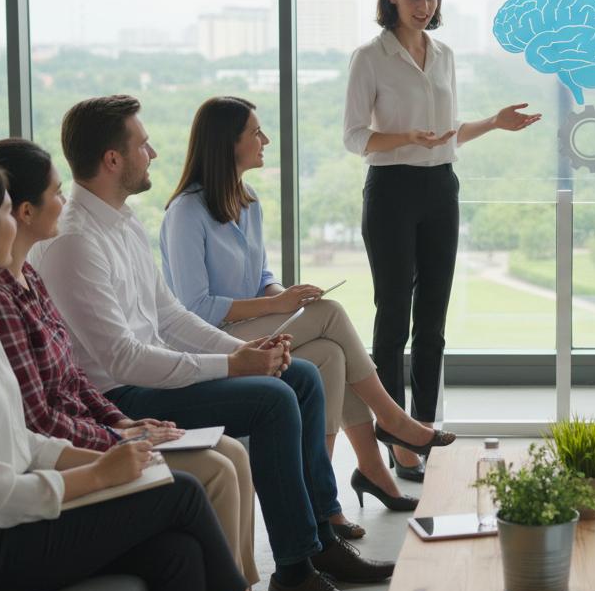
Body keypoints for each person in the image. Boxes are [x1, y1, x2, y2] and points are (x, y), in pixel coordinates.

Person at [28, 95, 385, 591]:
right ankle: (294, 575)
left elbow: (169, 316)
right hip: (119, 398)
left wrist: (243, 350)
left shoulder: (121, 221)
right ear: (112, 160)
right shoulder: (76, 242)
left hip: (150, 374)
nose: (153, 152)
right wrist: (233, 366)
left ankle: (319, 539)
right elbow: (123, 360)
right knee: (272, 400)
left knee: (303, 376)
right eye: (143, 144)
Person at [0, 157, 261, 591]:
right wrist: (100, 475)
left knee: (177, 554)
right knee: (181, 493)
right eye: (6, 212)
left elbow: (16, 437)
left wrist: (105, 458)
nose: (14, 223)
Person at [160, 96, 455, 537]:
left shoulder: (247, 201)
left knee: (331, 355)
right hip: (211, 341)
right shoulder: (185, 212)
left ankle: (334, 492)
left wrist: (287, 297)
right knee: (330, 314)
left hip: (252, 325)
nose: (265, 140)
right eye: (255, 133)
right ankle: (391, 422)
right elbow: (194, 306)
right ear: (227, 143)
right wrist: (278, 306)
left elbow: (262, 277)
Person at [0, 137, 260, 585]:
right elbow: (39, 419)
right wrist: (115, 437)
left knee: (233, 453)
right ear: (24, 212)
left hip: (92, 426)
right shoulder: (0, 296)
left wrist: (124, 424)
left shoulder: (28, 276)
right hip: (65, 452)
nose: (64, 202)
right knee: (217, 470)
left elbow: (74, 378)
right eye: (56, 193)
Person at [343, 0, 540, 478]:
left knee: (432, 321)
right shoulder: (370, 57)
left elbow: (448, 135)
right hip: (391, 190)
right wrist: (406, 136)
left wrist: (493, 123)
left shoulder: (444, 54)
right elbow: (355, 137)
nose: (424, 6)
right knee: (393, 318)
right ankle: (396, 437)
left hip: (440, 188)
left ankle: (422, 430)